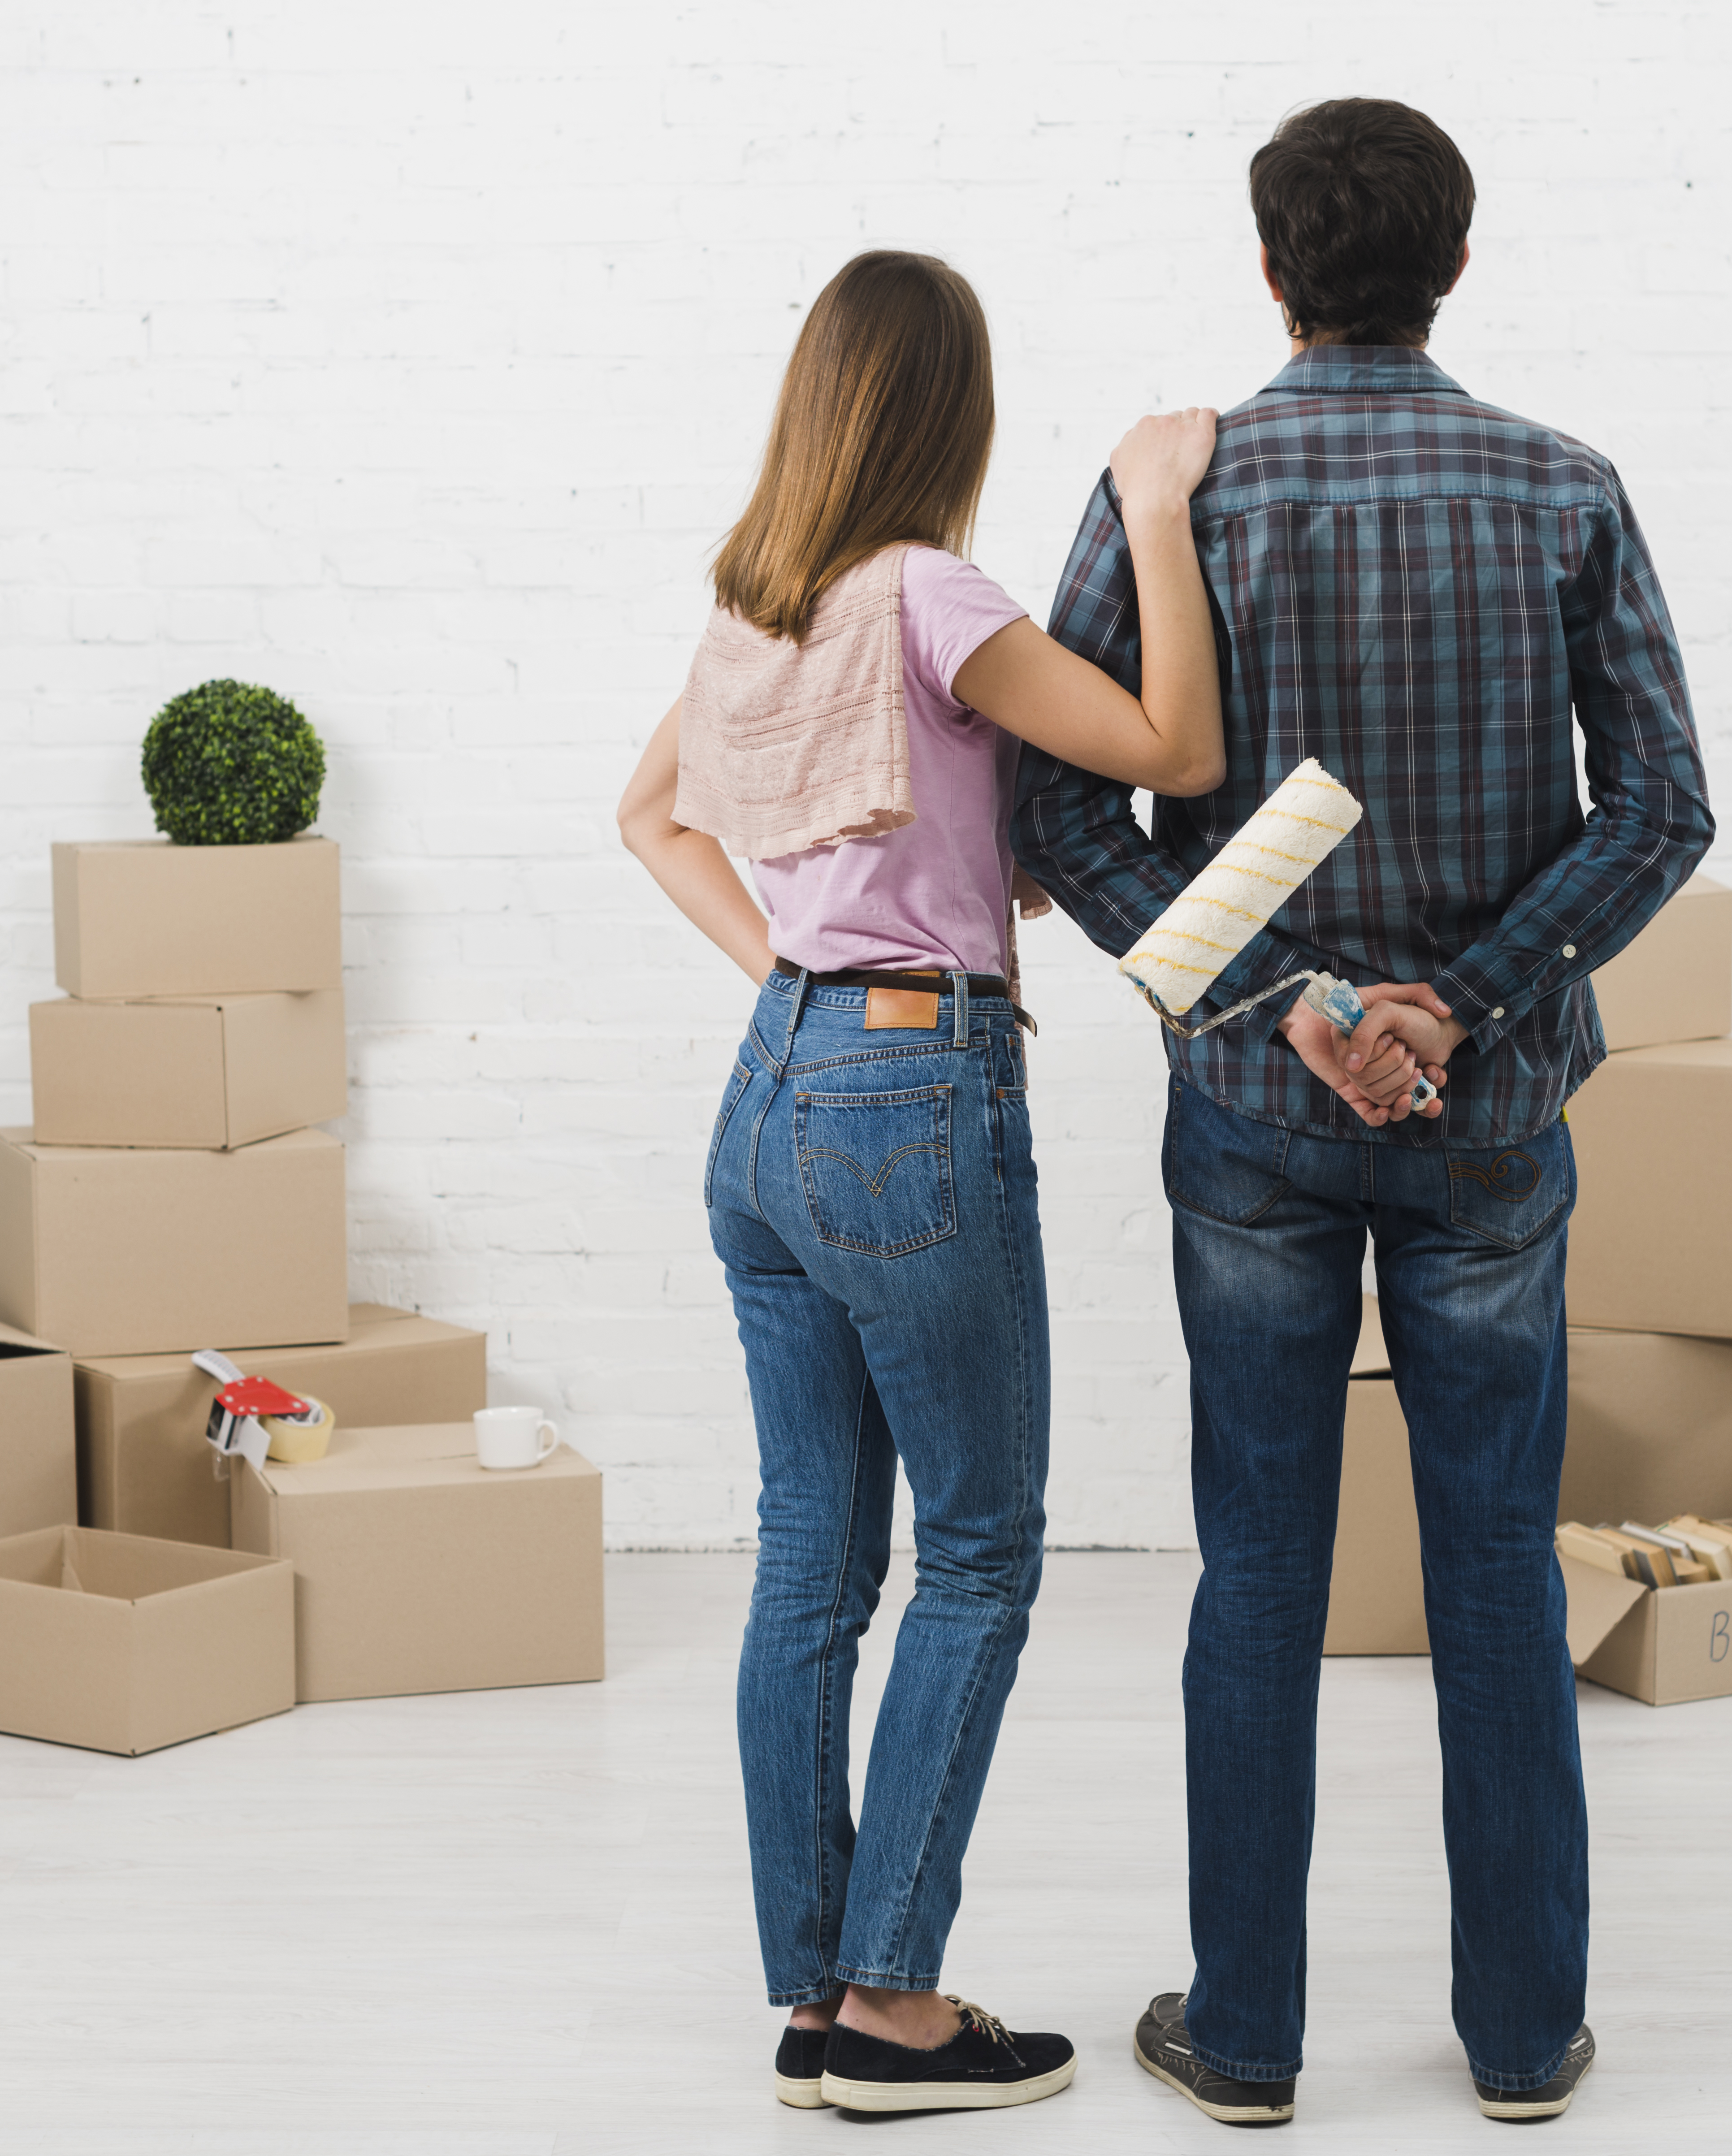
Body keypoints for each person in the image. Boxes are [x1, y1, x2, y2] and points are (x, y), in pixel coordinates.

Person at [1013, 99, 1715, 2127]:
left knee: (1257, 1565)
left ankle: (1243, 2043)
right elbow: (1659, 808)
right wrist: (1457, 1002)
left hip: (1250, 1106)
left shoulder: (1179, 492)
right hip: (1486, 1115)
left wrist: (1292, 998)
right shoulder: (1559, 486)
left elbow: (1056, 802)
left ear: (1267, 271)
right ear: (1454, 266)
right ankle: (1516, 2044)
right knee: (1496, 1566)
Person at [615, 247, 1229, 2116]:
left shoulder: (757, 603)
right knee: (974, 1550)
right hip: (907, 1097)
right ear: (944, 412)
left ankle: (813, 1994)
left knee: (811, 1560)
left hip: (771, 1092)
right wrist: (1153, 507)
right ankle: (891, 2007)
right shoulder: (929, 593)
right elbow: (1174, 749)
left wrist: (821, 968)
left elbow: (651, 817)